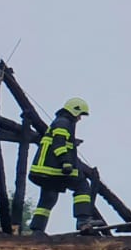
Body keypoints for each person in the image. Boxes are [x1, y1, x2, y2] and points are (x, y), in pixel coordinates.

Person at [27, 98, 101, 233]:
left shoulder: (60, 122)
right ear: (75, 110)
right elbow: (59, 143)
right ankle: (83, 221)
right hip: (54, 169)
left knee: (48, 198)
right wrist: (65, 162)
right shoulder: (63, 123)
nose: (80, 118)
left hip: (43, 170)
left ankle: (37, 230)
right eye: (80, 114)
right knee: (82, 186)